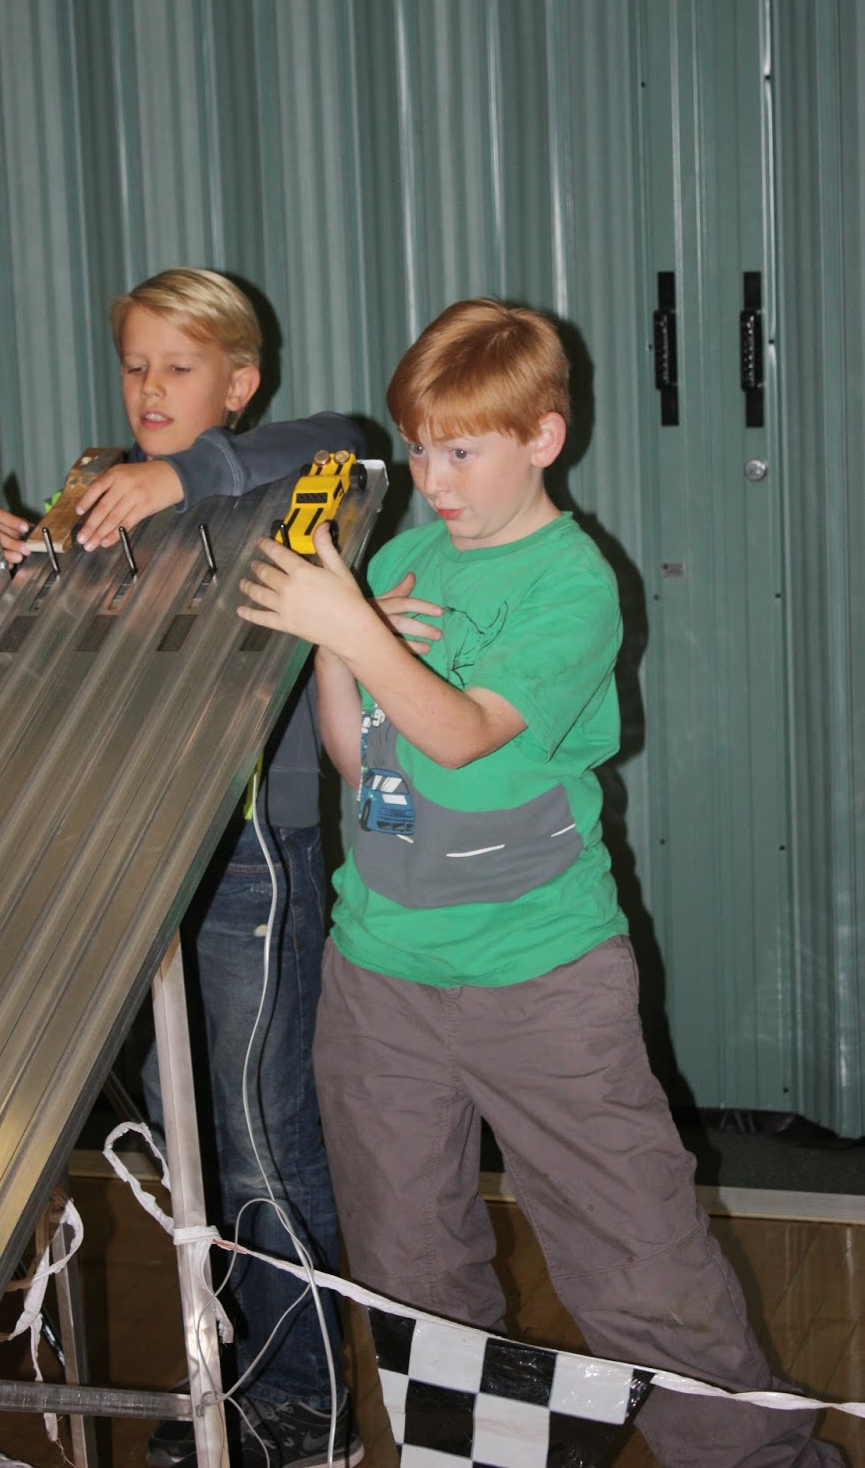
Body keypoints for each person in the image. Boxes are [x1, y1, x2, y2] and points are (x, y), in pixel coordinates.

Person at [237, 298, 844, 1468]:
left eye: (462, 452)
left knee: (640, 1265)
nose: (432, 480)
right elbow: (366, 763)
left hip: (542, 982)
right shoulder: (402, 560)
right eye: (419, 450)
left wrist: (351, 627)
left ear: (542, 438)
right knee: (411, 1273)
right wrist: (334, 644)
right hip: (380, 978)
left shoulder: (574, 583)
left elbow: (462, 735)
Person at [0, 269, 363, 1468]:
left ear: (239, 384)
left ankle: (306, 1408)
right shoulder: (94, 491)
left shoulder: (285, 473)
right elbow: (57, 672)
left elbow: (352, 442)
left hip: (246, 856)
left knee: (259, 1136)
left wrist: (182, 475)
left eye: (178, 368)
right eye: (135, 365)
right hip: (128, 853)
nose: (148, 388)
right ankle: (227, 1392)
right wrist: (16, 576)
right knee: (189, 1143)